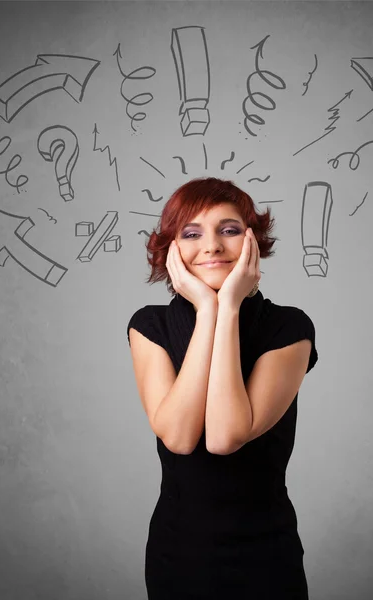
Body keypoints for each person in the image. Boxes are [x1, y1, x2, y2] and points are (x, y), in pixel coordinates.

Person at [127, 177, 318, 599]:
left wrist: (227, 306)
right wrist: (207, 310)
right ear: (171, 249)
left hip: (266, 555)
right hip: (178, 554)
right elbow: (178, 437)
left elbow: (225, 436)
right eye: (192, 234)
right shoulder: (150, 326)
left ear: (253, 241)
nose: (211, 245)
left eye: (228, 230)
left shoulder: (288, 328)